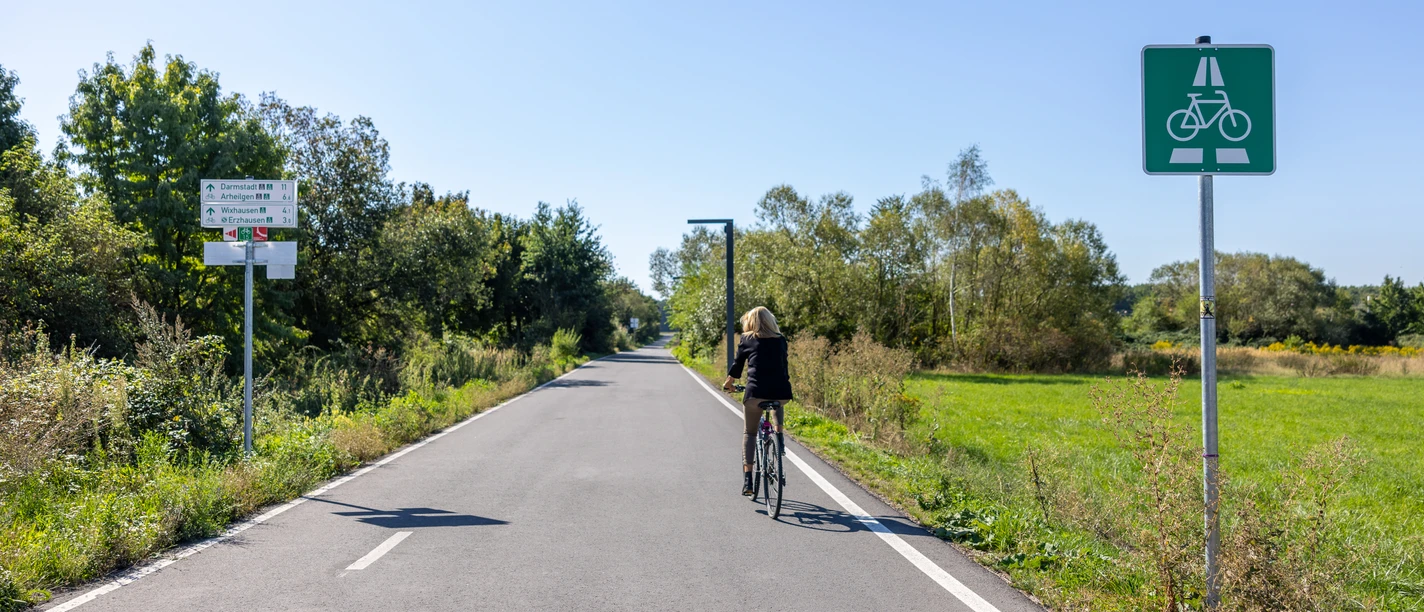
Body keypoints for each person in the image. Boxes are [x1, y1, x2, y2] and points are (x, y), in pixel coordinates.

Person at [722, 306, 793, 496]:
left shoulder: (747, 338)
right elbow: (783, 367)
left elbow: (737, 365)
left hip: (755, 393)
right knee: (776, 399)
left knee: (750, 432)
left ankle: (748, 481)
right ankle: (779, 435)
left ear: (751, 322)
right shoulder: (781, 340)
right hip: (782, 392)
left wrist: (728, 384)